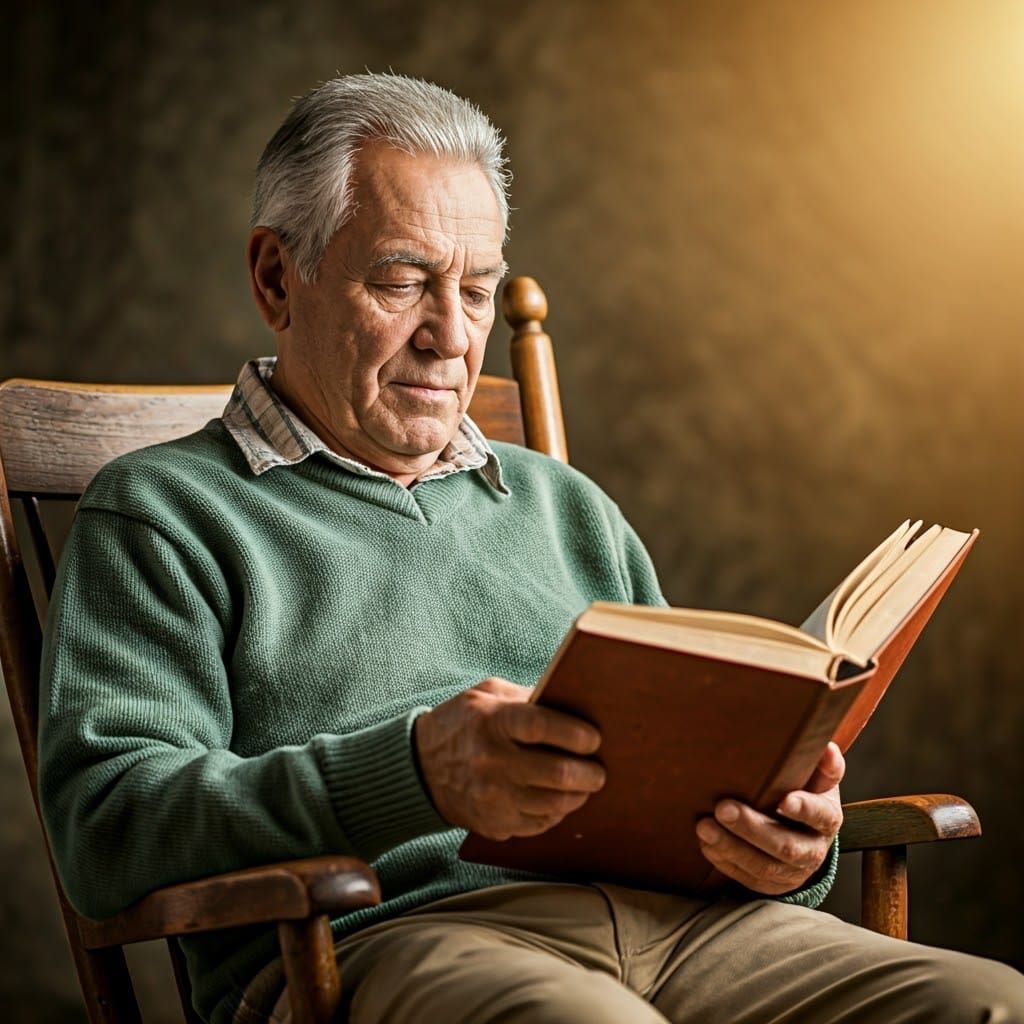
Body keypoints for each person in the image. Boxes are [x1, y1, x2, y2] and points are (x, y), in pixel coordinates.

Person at [38, 73, 1023, 1024]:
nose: (451, 337)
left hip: (692, 931)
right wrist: (410, 771)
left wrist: (785, 848)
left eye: (476, 289)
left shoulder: (566, 507)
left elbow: (687, 788)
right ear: (275, 276)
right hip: (390, 943)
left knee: (990, 1002)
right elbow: (105, 830)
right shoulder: (164, 512)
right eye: (402, 281)